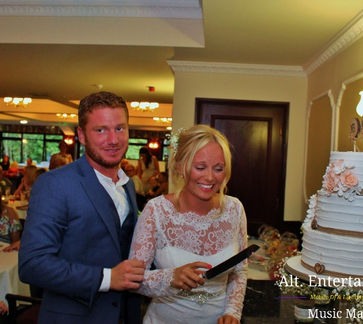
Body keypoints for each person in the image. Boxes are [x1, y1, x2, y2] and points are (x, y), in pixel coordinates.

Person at [19, 91, 145, 324]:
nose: (113, 140)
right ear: (81, 135)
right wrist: (107, 278)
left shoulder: (126, 184)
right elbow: (32, 265)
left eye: (120, 128)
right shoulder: (55, 184)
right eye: (101, 130)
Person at [129, 124, 248, 324]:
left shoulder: (234, 209)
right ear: (180, 167)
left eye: (218, 169)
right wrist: (169, 278)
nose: (210, 177)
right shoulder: (156, 211)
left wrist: (232, 311)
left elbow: (240, 271)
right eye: (200, 167)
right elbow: (134, 280)